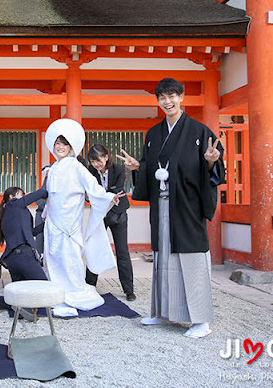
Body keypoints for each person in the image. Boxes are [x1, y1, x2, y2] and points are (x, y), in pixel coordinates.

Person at [116, 78, 224, 338]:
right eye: (162, 97)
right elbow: (154, 167)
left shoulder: (200, 132)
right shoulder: (154, 134)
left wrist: (211, 163)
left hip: (187, 206)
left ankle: (200, 320)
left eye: (172, 96)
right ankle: (163, 312)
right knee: (163, 258)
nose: (168, 101)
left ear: (182, 97)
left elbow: (212, 170)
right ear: (158, 101)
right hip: (162, 206)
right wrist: (139, 167)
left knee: (192, 258)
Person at [43, 118, 123, 317]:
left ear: (71, 147)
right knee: (52, 257)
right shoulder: (52, 169)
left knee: (69, 258)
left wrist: (108, 196)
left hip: (70, 222)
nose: (60, 147)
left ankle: (72, 293)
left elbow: (93, 187)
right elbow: (49, 197)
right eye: (57, 144)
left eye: (64, 144)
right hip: (53, 221)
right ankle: (57, 293)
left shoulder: (77, 167)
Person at [86, 144, 136, 302]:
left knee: (122, 252)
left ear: (106, 157)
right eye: (93, 161)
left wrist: (103, 197)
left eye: (98, 160)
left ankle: (129, 290)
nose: (96, 164)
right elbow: (91, 193)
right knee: (95, 247)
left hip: (118, 213)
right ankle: (89, 286)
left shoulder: (119, 170)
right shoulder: (90, 172)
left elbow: (118, 191)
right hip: (99, 214)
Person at [0, 186, 48, 282]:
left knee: (21, 295)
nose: (24, 197)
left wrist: (48, 223)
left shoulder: (7, 213)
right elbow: (40, 193)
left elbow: (31, 232)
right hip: (24, 256)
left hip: (12, 260)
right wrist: (50, 191)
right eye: (21, 194)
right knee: (44, 288)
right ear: (11, 197)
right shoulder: (14, 204)